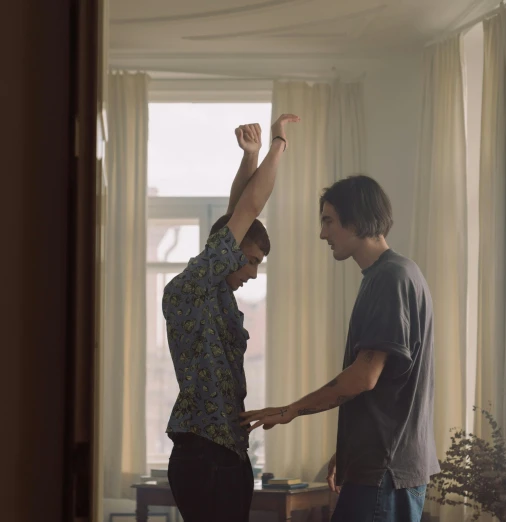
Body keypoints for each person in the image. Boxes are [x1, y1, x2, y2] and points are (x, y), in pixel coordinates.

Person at [240, 175, 438, 522]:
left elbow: (364, 376)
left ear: (357, 220)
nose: (322, 233)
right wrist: (347, 452)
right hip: (380, 467)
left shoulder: (391, 279)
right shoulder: (389, 275)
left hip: (385, 472)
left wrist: (289, 410)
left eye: (328, 221)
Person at [162, 114, 300, 522]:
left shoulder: (215, 289)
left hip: (226, 453)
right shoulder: (193, 287)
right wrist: (278, 143)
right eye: (253, 262)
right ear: (233, 253)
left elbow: (236, 211)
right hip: (204, 456)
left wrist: (250, 156)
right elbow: (248, 209)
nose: (254, 273)